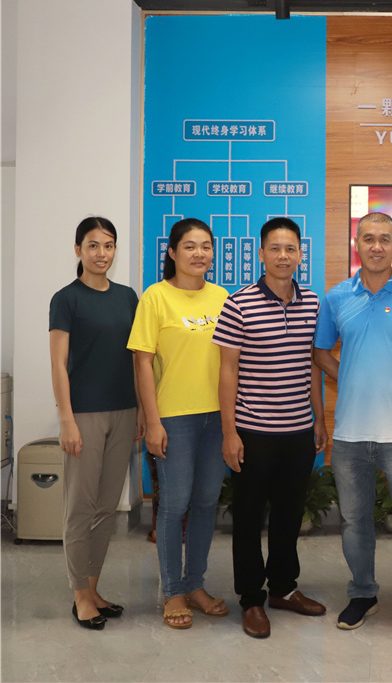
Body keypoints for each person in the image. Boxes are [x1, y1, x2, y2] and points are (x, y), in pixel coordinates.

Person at [314, 212, 392, 640]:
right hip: (350, 434)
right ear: (357, 245)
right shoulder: (336, 297)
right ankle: (363, 593)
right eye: (368, 238)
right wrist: (349, 374)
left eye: (385, 239)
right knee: (354, 523)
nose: (376, 246)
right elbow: (320, 353)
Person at [212, 218, 328, 639]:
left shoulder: (312, 302)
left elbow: (312, 365)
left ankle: (282, 588)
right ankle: (250, 599)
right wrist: (229, 432)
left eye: (290, 248)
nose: (283, 256)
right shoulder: (238, 303)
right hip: (252, 431)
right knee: (247, 518)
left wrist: (319, 418)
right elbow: (227, 371)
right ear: (261, 254)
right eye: (275, 248)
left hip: (298, 432)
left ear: (300, 254)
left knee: (289, 515)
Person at [128, 218, 230, 629]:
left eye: (205, 246)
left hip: (217, 418)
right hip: (174, 418)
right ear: (172, 252)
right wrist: (153, 422)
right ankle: (172, 591)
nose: (199, 253)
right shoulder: (155, 297)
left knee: (206, 502)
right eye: (189, 246)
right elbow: (142, 363)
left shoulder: (222, 297)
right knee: (173, 505)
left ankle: (194, 584)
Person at [49, 217, 144, 630]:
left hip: (124, 412)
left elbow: (137, 358)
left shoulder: (127, 297)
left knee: (106, 508)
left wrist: (142, 411)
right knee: (80, 507)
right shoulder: (66, 299)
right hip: (83, 415)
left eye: (108, 245)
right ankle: (79, 595)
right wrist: (66, 419)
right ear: (78, 250)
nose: (101, 253)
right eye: (93, 245)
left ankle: (93, 588)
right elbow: (58, 363)